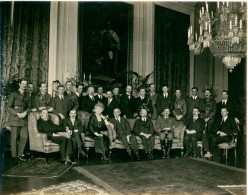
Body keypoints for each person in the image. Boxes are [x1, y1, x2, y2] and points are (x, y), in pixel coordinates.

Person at [7, 79, 30, 162]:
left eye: (25, 84)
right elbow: (9, 107)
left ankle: (20, 154)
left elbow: (29, 107)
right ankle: (14, 156)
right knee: (14, 138)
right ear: (20, 84)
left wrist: (26, 112)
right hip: (15, 119)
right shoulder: (14, 94)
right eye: (23, 83)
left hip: (23, 119)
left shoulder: (27, 95)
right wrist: (17, 114)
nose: (24, 85)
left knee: (25, 136)